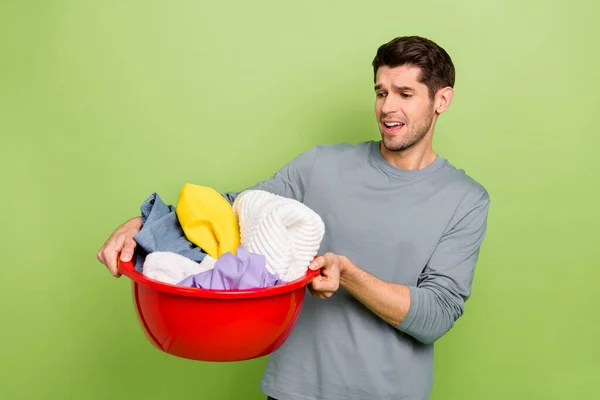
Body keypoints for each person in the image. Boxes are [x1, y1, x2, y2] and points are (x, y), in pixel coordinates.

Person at [97, 35, 490, 400]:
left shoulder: (464, 200)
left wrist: (347, 273)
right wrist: (144, 225)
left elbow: (435, 315)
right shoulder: (320, 165)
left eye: (406, 93)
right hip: (294, 391)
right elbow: (234, 210)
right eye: (381, 92)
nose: (388, 107)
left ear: (441, 100)